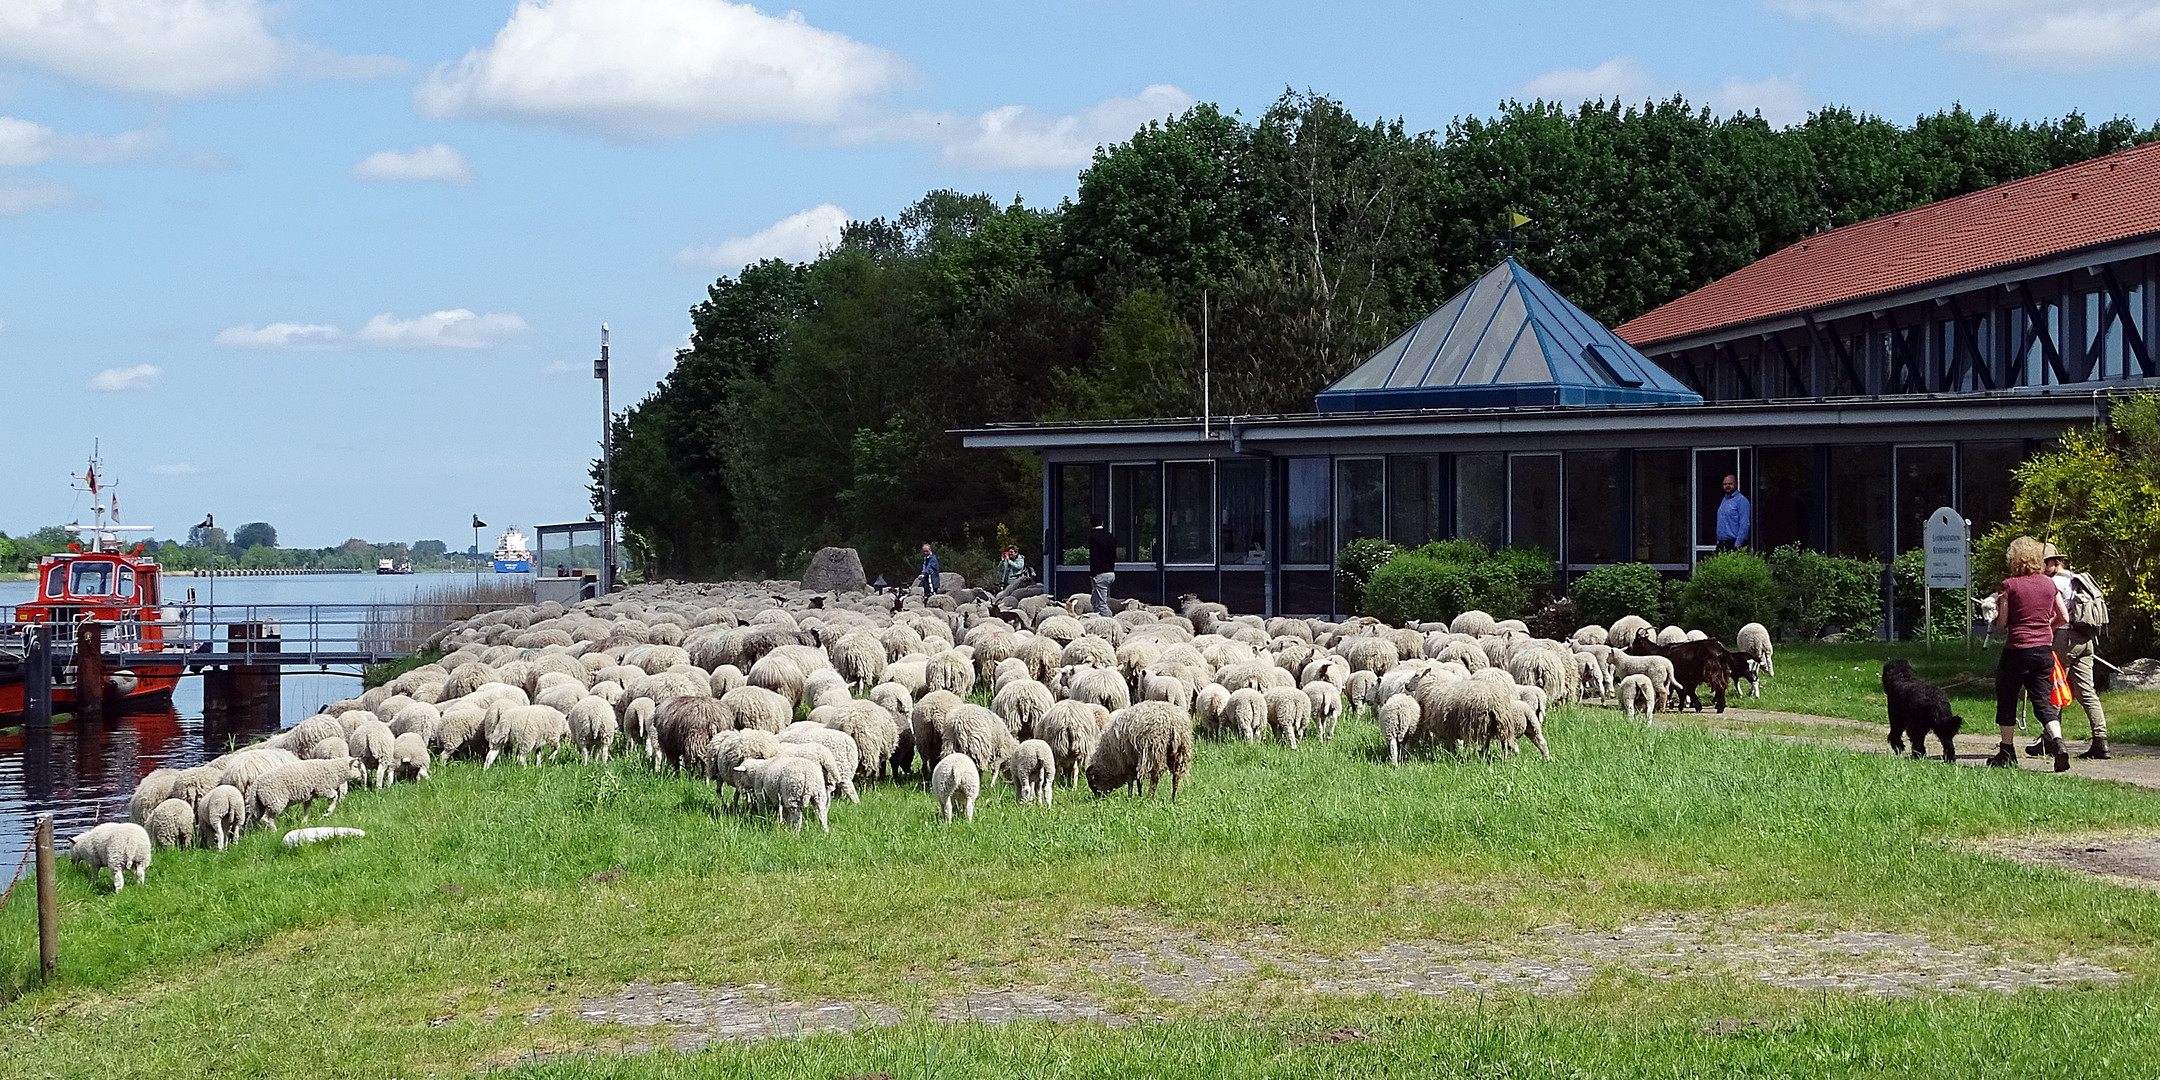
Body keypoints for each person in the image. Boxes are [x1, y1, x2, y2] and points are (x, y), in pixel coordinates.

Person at [1989, 535, 2072, 771]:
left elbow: (2003, 622)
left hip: (2017, 651)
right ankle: (2058, 742)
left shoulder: (2010, 585)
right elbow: (2064, 617)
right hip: (2043, 652)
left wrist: (1996, 619)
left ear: (2014, 559)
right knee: (2044, 702)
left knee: (2007, 699)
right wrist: (2047, 628)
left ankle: (2007, 751)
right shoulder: (2049, 584)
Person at [2038, 544, 2110, 760]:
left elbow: (2055, 615)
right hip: (2085, 638)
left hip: (2064, 637)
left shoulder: (2054, 584)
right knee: (2087, 691)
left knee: (2055, 686)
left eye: (2043, 564)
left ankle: (2050, 740)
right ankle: (2101, 741)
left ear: (2053, 562)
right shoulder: (2077, 578)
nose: (2041, 569)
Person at [1087, 515, 1117, 617]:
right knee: (1095, 600)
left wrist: (1094, 573)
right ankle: (1097, 620)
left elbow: (1094, 557)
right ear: (1102, 523)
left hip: (1100, 574)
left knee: (1101, 603)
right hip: (1110, 572)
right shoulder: (1110, 536)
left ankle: (1109, 622)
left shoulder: (1093, 538)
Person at [1714, 474, 1751, 552]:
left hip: (1734, 543)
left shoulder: (1741, 500)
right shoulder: (1724, 500)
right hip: (1722, 544)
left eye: (1730, 484)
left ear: (1736, 484)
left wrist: (1737, 545)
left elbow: (1744, 524)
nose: (1727, 486)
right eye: (1725, 484)